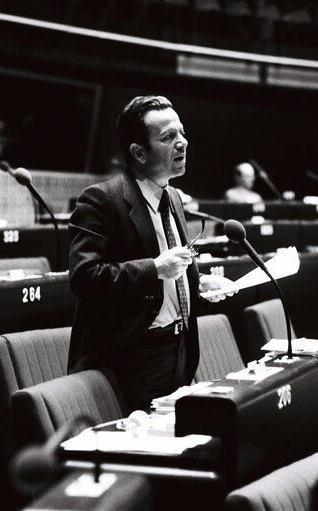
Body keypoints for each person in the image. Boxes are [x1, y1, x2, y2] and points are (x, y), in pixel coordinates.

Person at [68, 95, 235, 413]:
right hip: (135, 354)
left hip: (181, 346)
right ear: (138, 152)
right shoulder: (102, 200)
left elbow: (170, 271)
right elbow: (84, 277)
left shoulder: (172, 196)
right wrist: (154, 269)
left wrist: (196, 286)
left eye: (182, 133)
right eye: (168, 137)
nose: (182, 143)